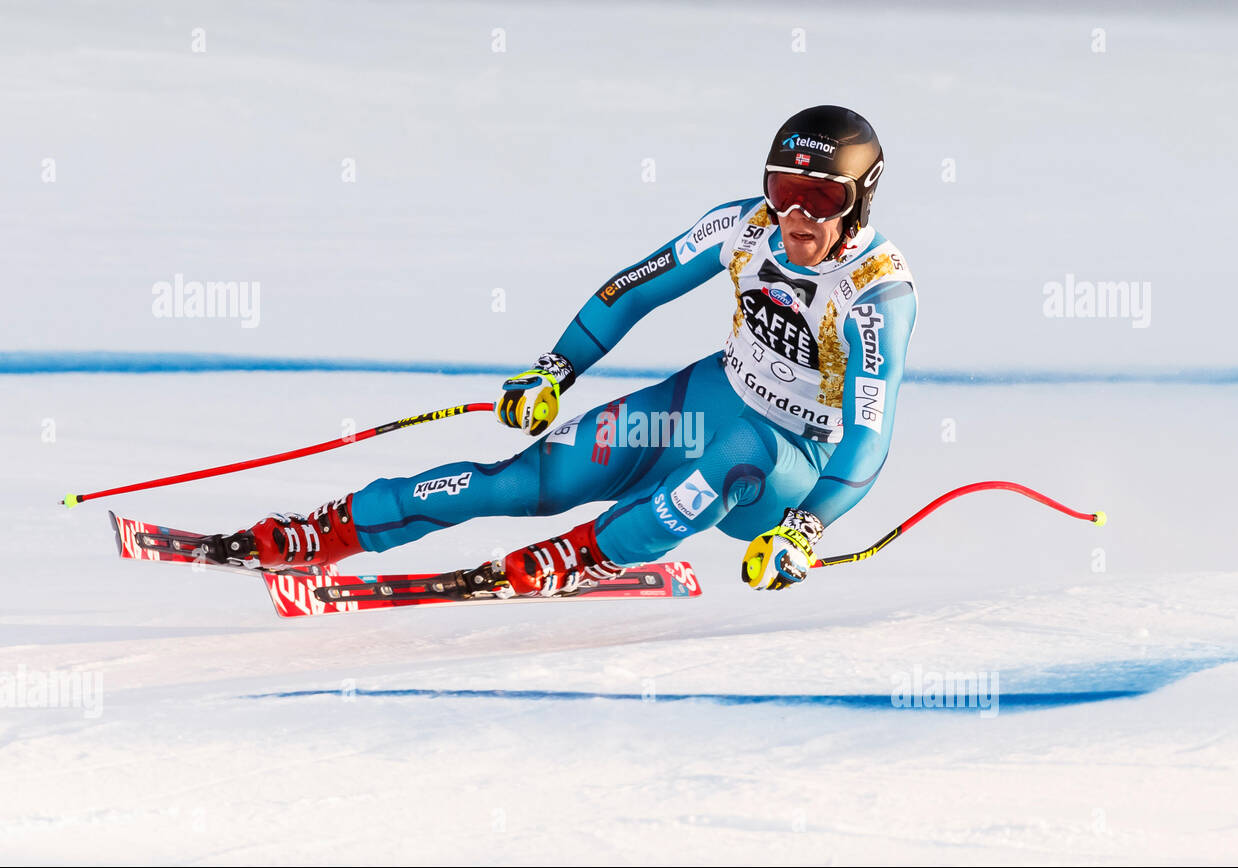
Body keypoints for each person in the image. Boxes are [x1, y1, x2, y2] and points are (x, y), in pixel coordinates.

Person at [212, 105, 917, 597]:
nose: (795, 215)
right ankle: (329, 533)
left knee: (739, 452)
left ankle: (584, 556)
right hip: (707, 402)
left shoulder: (875, 294)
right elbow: (631, 290)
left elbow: (870, 436)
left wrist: (805, 528)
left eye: (821, 200)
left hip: (792, 466)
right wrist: (555, 370)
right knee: (522, 481)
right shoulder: (743, 226)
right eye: (783, 190)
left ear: (859, 203)